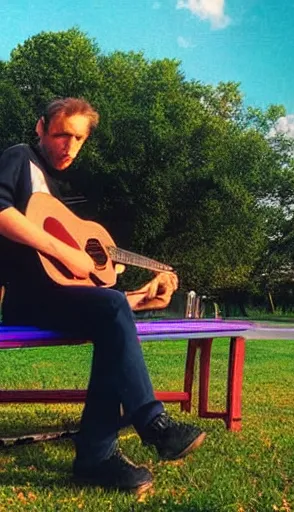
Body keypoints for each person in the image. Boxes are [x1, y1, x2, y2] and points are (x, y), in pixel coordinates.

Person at [0, 97, 206, 493]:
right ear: (41, 128)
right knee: (111, 311)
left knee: (114, 312)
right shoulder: (19, 158)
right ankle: (151, 423)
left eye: (78, 138)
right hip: (25, 299)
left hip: (59, 299)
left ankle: (97, 457)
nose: (69, 146)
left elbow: (87, 283)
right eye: (61, 134)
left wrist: (135, 300)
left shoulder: (68, 189)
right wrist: (65, 251)